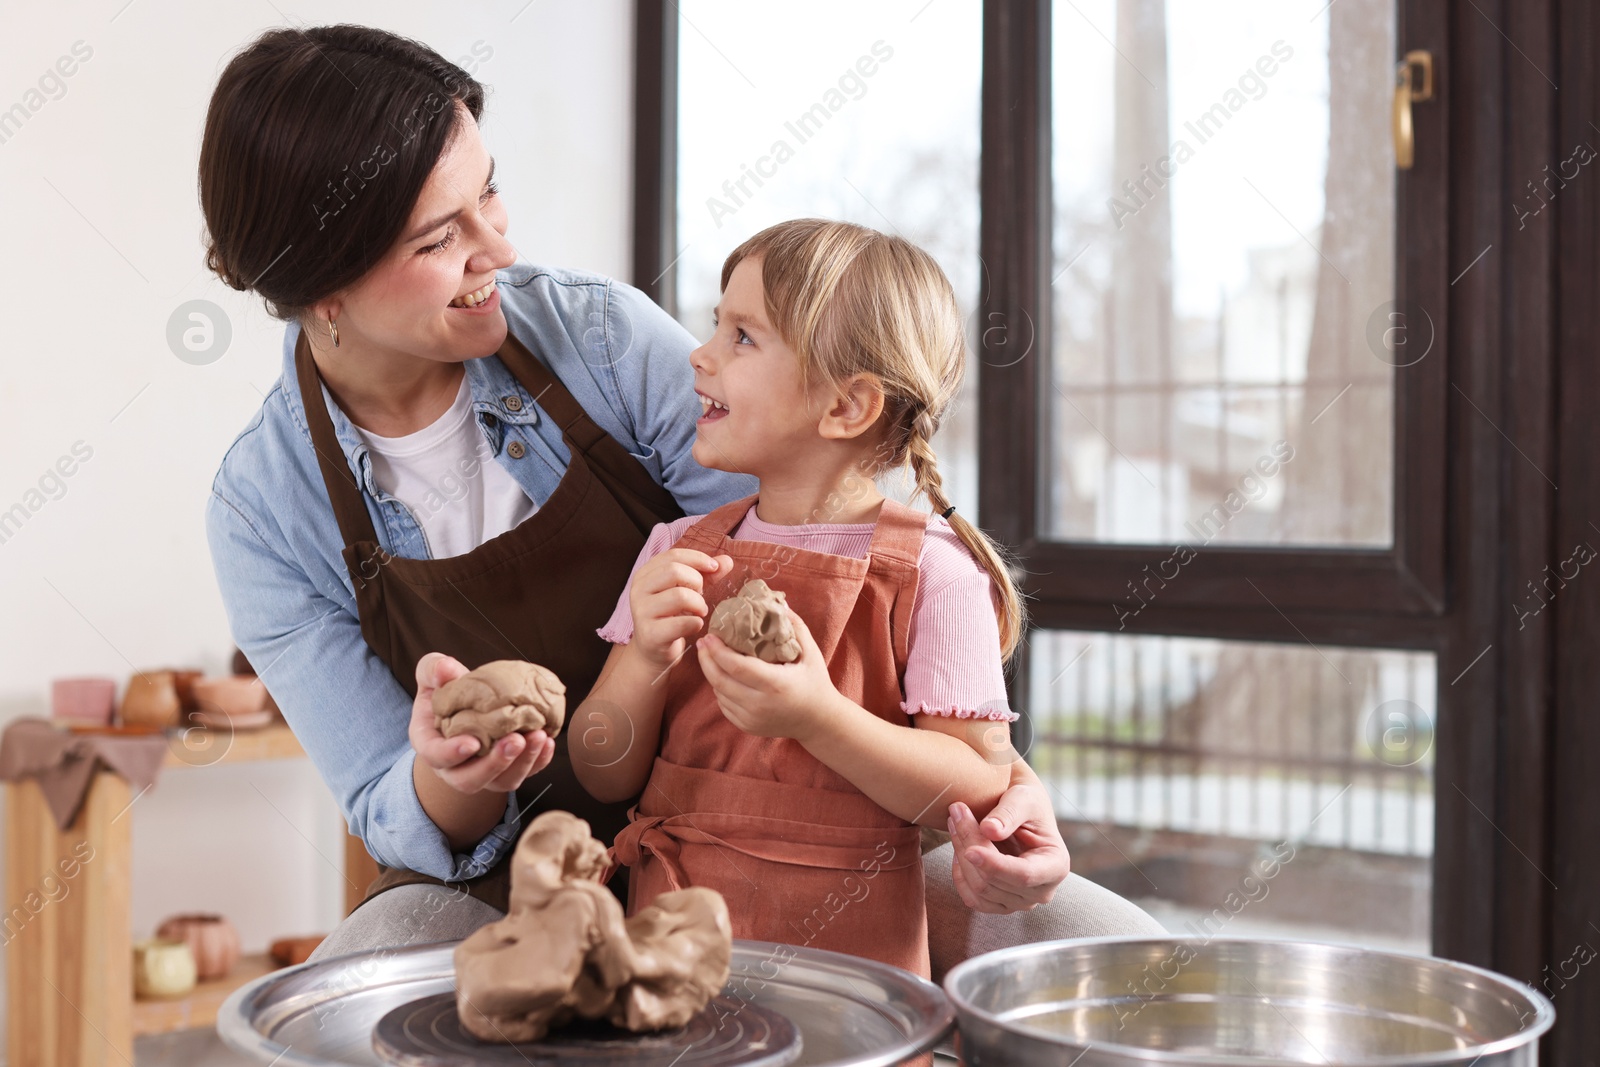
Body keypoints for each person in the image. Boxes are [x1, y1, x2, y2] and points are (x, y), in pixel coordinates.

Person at [197, 24, 1161, 971]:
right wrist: (452, 776)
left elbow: (819, 529)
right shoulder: (265, 510)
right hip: (507, 878)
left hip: (799, 816)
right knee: (362, 984)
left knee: (1120, 961)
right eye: (444, 236)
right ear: (320, 286)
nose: (501, 245)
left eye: (488, 190)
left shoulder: (595, 339)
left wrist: (1002, 784)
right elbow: (386, 800)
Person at [575, 219, 1040, 979]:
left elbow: (975, 784)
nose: (700, 354)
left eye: (742, 337)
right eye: (715, 327)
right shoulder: (675, 549)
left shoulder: (937, 573)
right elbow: (602, 769)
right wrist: (644, 660)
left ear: (848, 406)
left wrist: (817, 719)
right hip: (671, 967)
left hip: (854, 994)